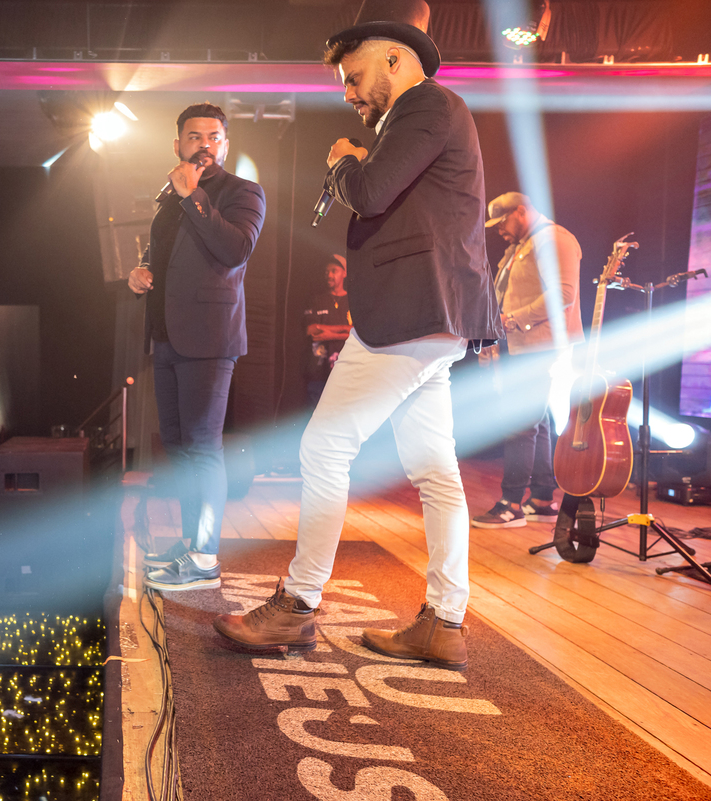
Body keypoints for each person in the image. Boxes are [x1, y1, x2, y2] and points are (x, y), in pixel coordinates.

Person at [214, 0, 501, 671]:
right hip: (433, 315)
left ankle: (297, 605)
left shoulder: (427, 105)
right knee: (435, 470)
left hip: (413, 312)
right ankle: (444, 622)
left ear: (395, 58)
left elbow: (370, 193)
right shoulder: (424, 114)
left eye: (354, 76)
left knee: (323, 447)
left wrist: (346, 160)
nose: (347, 92)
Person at [128, 102, 266, 592]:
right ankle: (191, 544)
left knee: (203, 447)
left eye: (213, 137)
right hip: (166, 334)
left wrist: (194, 196)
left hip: (209, 336)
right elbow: (165, 257)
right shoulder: (170, 197)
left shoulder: (242, 192)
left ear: (225, 144)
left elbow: (235, 249)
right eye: (194, 137)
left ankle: (205, 557)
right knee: (179, 447)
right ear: (177, 144)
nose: (204, 145)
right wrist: (142, 272)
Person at [471, 192, 583, 529]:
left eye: (502, 222)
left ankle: (511, 505)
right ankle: (542, 498)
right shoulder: (523, 245)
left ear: (521, 211)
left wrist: (514, 319)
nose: (498, 230)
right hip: (522, 345)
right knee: (537, 419)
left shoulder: (553, 239)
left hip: (539, 346)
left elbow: (564, 294)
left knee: (520, 421)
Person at [303, 254, 352, 408]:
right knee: (316, 413)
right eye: (326, 272)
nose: (329, 275)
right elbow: (311, 330)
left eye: (333, 271)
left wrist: (328, 334)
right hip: (319, 372)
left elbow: (358, 334)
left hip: (346, 370)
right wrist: (344, 329)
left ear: (344, 273)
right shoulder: (316, 300)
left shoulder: (353, 301)